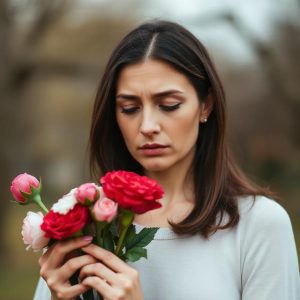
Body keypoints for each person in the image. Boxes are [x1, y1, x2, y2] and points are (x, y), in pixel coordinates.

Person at [34, 20, 300, 300]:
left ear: (205, 105)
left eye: (169, 105)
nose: (148, 125)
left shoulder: (259, 225)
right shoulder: (86, 220)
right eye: (130, 108)